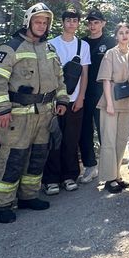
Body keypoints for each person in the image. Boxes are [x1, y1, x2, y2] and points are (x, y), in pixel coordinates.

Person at [0, 3, 69, 223]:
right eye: (37, 21)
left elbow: (59, 78)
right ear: (28, 22)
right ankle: (2, 204)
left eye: (45, 22)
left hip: (45, 114)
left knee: (37, 157)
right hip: (17, 115)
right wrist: (1, 110)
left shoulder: (49, 49)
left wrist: (62, 100)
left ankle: (28, 196)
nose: (41, 26)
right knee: (13, 158)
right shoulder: (11, 47)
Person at [43, 10, 91, 196]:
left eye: (75, 20)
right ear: (62, 22)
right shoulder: (51, 44)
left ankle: (70, 176)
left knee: (71, 140)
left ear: (78, 23)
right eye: (68, 20)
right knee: (53, 140)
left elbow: (85, 74)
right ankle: (51, 180)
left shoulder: (83, 45)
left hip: (75, 101)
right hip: (54, 101)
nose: (71, 24)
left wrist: (81, 97)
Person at [96, 22, 129, 194]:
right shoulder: (110, 54)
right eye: (120, 32)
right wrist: (109, 103)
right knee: (109, 140)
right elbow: (106, 80)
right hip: (111, 102)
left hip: (128, 102)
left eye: (127, 32)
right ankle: (108, 178)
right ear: (116, 36)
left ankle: (117, 175)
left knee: (122, 140)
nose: (124, 35)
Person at [78, 9, 116, 184]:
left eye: (96, 22)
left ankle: (108, 165)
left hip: (104, 92)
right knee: (85, 130)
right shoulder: (81, 43)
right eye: (90, 23)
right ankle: (90, 166)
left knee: (105, 130)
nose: (93, 26)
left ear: (103, 23)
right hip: (84, 92)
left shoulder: (110, 42)